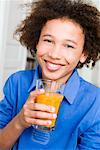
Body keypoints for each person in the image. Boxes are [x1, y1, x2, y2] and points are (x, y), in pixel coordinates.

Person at [0, 0, 100, 149]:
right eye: (48, 40)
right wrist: (20, 121)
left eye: (69, 45)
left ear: (83, 54)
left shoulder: (95, 101)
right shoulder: (17, 82)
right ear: (36, 42)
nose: (54, 54)